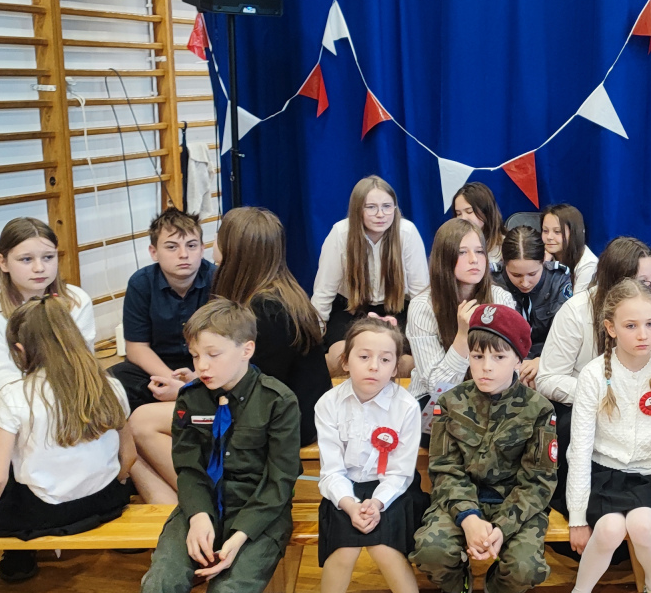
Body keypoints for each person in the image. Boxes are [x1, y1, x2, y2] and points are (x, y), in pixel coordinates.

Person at [61, 299, 301, 593]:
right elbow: (188, 468)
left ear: (247, 349)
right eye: (195, 356)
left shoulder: (278, 401)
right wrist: (197, 516)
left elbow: (279, 483)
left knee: (230, 591)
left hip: (257, 519)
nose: (201, 365)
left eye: (213, 354)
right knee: (163, 576)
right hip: (199, 510)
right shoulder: (191, 399)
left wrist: (237, 539)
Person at [0, 295, 135, 593]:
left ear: (20, 350)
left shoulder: (15, 395)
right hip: (105, 502)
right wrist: (113, 482)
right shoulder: (109, 384)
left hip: (44, 513)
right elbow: (129, 455)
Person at [541, 280, 651, 593]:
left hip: (648, 475)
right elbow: (579, 449)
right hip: (602, 473)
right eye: (630, 325)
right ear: (610, 328)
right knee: (608, 529)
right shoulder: (594, 375)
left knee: (643, 523)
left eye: (650, 324)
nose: (643, 334)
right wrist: (578, 518)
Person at [298, 317, 435, 593]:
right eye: (364, 356)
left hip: (392, 490)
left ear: (396, 365)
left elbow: (401, 473)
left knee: (383, 549)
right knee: (343, 551)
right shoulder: (328, 404)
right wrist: (349, 504)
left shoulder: (405, 406)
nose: (374, 366)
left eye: (385, 359)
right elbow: (331, 471)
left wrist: (376, 503)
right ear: (345, 361)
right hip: (344, 491)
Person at [413, 304, 557, 593]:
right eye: (477, 356)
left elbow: (538, 482)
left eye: (499, 357)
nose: (486, 367)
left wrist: (501, 529)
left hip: (515, 505)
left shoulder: (539, 409)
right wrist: (469, 518)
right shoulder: (450, 403)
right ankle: (455, 587)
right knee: (431, 551)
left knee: (526, 567)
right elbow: (445, 470)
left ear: (519, 359)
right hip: (459, 502)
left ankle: (502, 591)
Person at [536, 237, 651, 505]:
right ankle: (579, 501)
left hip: (649, 402)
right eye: (643, 282)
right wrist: (602, 393)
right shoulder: (576, 310)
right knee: (567, 425)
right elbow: (547, 379)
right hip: (593, 406)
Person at [0, 217, 95, 437]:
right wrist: (43, 415)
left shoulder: (77, 300)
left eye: (48, 257)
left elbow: (81, 366)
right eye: (26, 259)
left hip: (66, 397)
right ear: (3, 262)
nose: (39, 268)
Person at [211, 207, 329, 446]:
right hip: (286, 412)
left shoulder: (266, 310)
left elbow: (256, 384)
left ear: (234, 250)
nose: (214, 242)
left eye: (219, 237)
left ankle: (219, 472)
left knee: (145, 422)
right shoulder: (277, 294)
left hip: (287, 423)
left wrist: (191, 389)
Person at [311, 175, 430, 374]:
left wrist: (426, 336)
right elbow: (324, 293)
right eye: (371, 207)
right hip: (351, 308)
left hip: (396, 308)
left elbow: (421, 295)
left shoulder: (407, 232)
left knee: (402, 366)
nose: (380, 214)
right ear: (358, 209)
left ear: (395, 208)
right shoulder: (340, 233)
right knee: (341, 362)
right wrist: (312, 340)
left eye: (387, 206)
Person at [405, 219, 516, 421]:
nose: (474, 260)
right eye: (462, 252)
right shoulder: (422, 306)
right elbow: (438, 387)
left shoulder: (501, 298)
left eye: (480, 251)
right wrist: (463, 335)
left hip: (490, 394)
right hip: (435, 402)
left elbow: (510, 366)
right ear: (444, 258)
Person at [109, 208, 215, 412]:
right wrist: (174, 382)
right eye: (172, 247)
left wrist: (195, 381)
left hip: (205, 366)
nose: (184, 254)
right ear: (154, 252)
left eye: (191, 245)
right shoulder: (141, 283)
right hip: (157, 368)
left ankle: (190, 402)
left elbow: (229, 344)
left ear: (202, 249)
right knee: (111, 382)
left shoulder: (218, 279)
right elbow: (137, 348)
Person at [494, 225, 572, 383]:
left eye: (532, 274)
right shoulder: (493, 282)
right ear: (504, 263)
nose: (525, 283)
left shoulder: (557, 280)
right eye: (516, 275)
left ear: (543, 260)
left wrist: (542, 361)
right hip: (505, 362)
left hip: (548, 360)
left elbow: (566, 335)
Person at [541, 202, 597, 293]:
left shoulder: (588, 265)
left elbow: (576, 302)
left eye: (557, 232)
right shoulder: (543, 255)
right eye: (545, 231)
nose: (549, 237)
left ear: (574, 233)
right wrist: (543, 265)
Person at [452, 182, 505, 273]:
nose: (463, 218)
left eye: (469, 212)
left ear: (486, 212)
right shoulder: (452, 243)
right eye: (458, 214)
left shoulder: (504, 244)